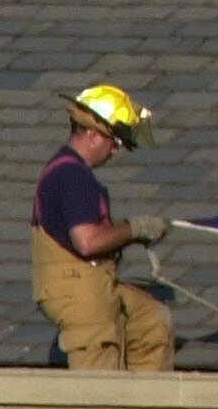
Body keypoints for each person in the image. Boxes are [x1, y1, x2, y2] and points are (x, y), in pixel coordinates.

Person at [31, 85, 174, 371]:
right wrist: (135, 229)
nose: (116, 150)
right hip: (79, 291)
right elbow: (87, 242)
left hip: (95, 282)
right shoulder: (72, 176)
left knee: (151, 321)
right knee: (101, 374)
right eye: (114, 141)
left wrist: (131, 233)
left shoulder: (70, 172)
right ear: (93, 134)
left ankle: (147, 408)